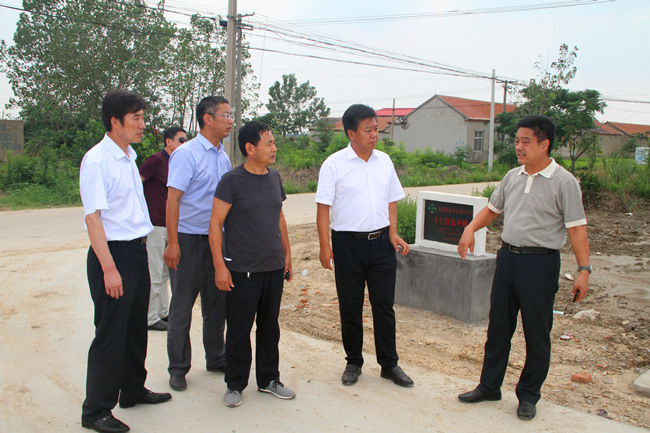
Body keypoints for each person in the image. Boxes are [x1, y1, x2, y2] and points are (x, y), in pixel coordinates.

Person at [457, 114, 591, 421]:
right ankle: (489, 386)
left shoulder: (564, 182)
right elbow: (492, 210)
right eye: (517, 141)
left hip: (540, 264)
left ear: (544, 144)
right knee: (498, 328)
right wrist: (470, 229)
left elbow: (576, 230)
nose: (518, 146)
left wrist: (584, 270)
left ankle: (528, 396)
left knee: (536, 333)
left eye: (525, 141)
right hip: (507, 259)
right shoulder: (512, 176)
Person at [79, 90, 171, 433]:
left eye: (143, 117)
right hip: (113, 255)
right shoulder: (97, 160)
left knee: (135, 329)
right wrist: (109, 269)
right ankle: (96, 411)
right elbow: (93, 219)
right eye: (136, 118)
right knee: (111, 334)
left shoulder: (129, 156)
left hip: (136, 251)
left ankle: (132, 389)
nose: (142, 124)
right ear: (115, 122)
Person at [315, 104, 413, 388]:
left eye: (376, 129)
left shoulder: (384, 161)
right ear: (351, 133)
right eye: (368, 130)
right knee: (351, 305)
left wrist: (393, 233)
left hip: (381, 243)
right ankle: (353, 362)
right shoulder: (334, 164)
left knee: (384, 306)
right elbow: (323, 208)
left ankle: (389, 364)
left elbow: (392, 199)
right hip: (347, 245)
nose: (374, 135)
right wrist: (325, 246)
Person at [209, 120, 295, 408]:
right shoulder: (232, 181)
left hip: (273, 266)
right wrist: (220, 266)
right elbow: (215, 224)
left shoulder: (274, 178)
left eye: (274, 143)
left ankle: (269, 379)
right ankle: (235, 384)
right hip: (241, 269)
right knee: (239, 329)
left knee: (270, 327)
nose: (274, 148)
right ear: (250, 148)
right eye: (268, 143)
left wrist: (287, 255)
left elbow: (279, 217)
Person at [164, 96, 233, 392]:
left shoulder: (223, 155)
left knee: (216, 305)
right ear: (207, 118)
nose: (230, 121)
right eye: (225, 115)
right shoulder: (186, 154)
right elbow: (173, 199)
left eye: (231, 115)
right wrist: (173, 243)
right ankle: (178, 368)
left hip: (217, 240)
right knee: (182, 307)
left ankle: (216, 357)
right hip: (188, 239)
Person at [139, 126, 187, 331]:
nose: (184, 144)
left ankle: (163, 312)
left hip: (171, 225)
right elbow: (136, 183)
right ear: (168, 141)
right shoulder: (156, 161)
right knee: (155, 271)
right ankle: (150, 317)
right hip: (155, 224)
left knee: (167, 272)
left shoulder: (176, 163)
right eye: (181, 140)